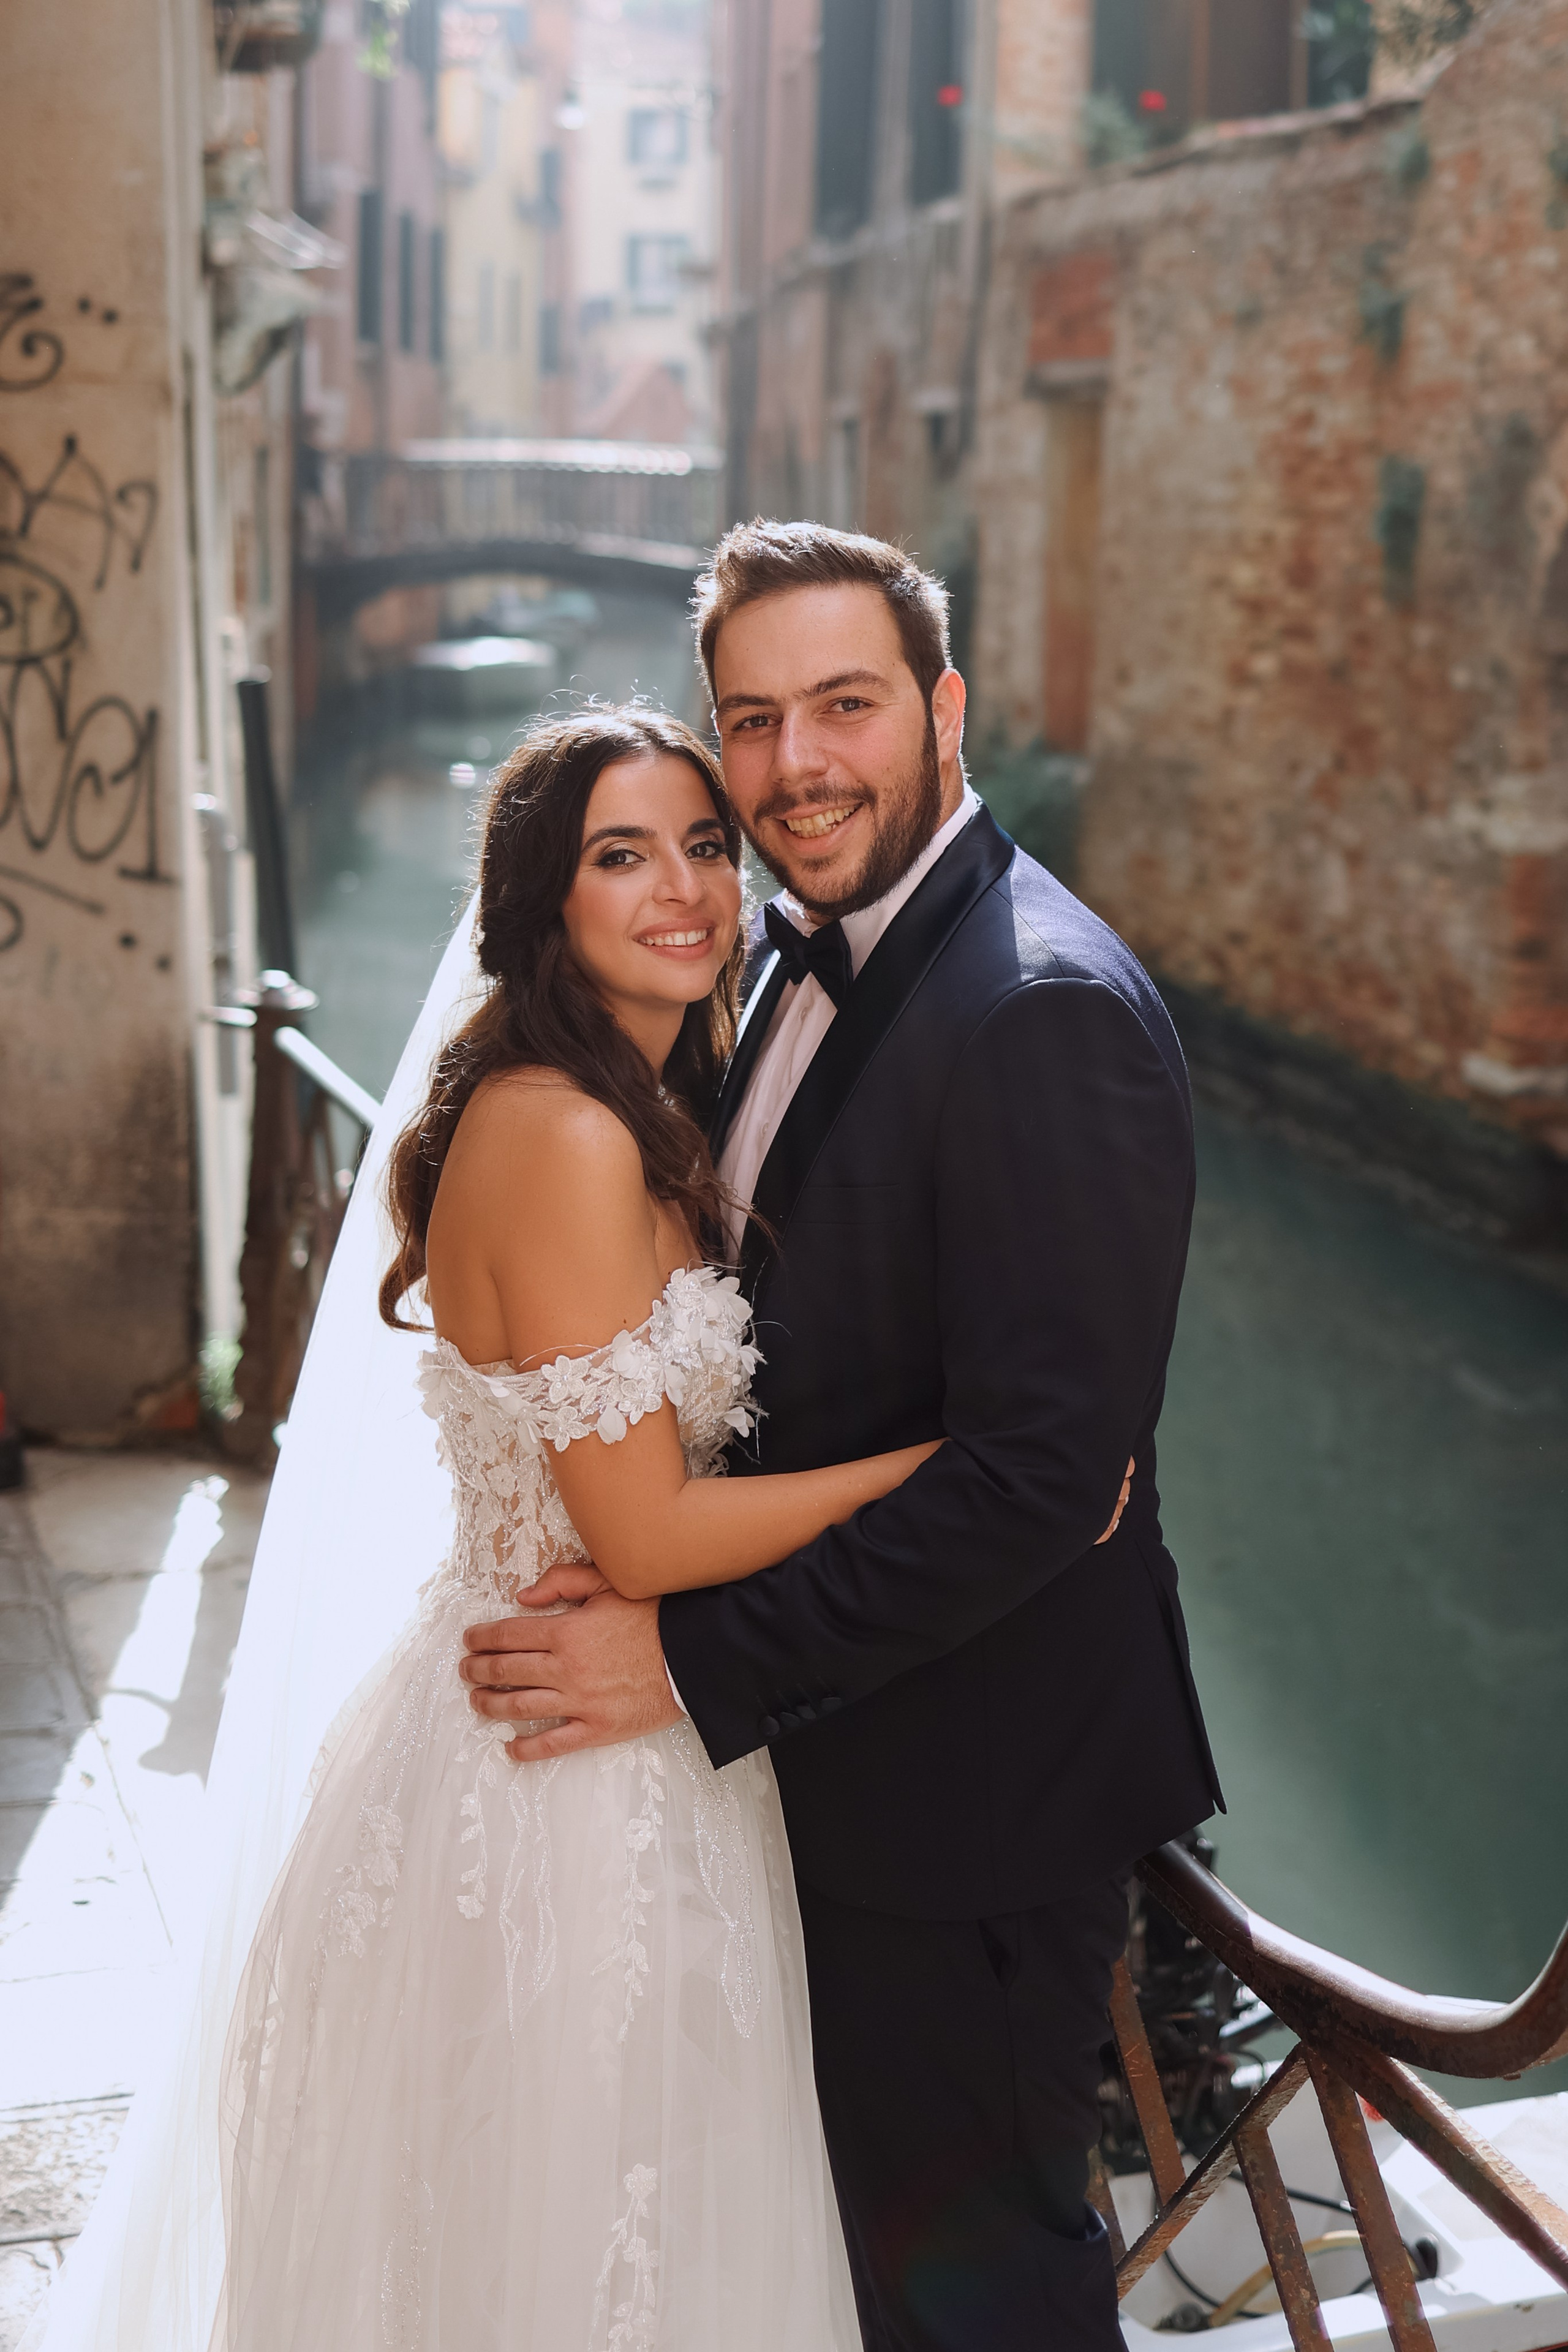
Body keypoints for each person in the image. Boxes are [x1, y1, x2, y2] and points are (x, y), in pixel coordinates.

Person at [459, 522, 1224, 2352]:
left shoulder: (1038, 1010)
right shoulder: (775, 972)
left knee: (979, 2315)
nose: (799, 765)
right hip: (819, 1793)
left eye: (848, 707)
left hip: (969, 1815)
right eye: (755, 719)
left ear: (946, 711)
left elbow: (1044, 1484)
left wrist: (687, 1658)